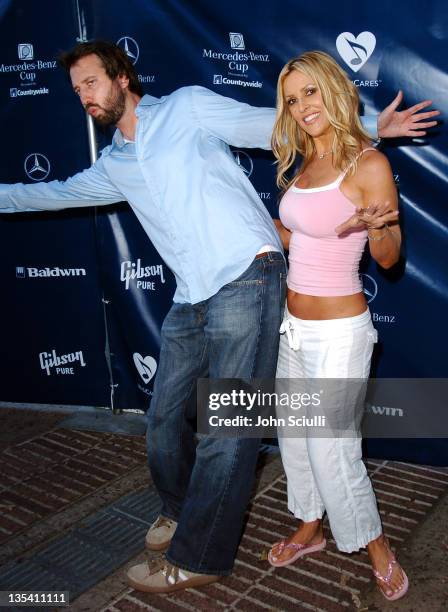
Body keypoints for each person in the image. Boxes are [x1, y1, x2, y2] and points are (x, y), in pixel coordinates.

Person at [0, 40, 438, 594]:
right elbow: (48, 195)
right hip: (192, 295)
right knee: (164, 420)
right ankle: (184, 509)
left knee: (231, 426)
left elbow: (278, 125)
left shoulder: (184, 108)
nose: (83, 96)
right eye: (75, 90)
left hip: (248, 278)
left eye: (90, 82)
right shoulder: (112, 165)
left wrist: (374, 125)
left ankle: (202, 554)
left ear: (121, 76)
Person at [268, 50, 412, 602]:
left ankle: (374, 544)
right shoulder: (301, 161)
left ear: (334, 90)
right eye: (292, 99)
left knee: (333, 447)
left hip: (339, 334)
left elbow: (390, 257)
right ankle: (309, 525)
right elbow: (297, 237)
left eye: (310, 93)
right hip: (292, 328)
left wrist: (378, 228)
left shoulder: (368, 164)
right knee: (296, 439)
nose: (303, 107)